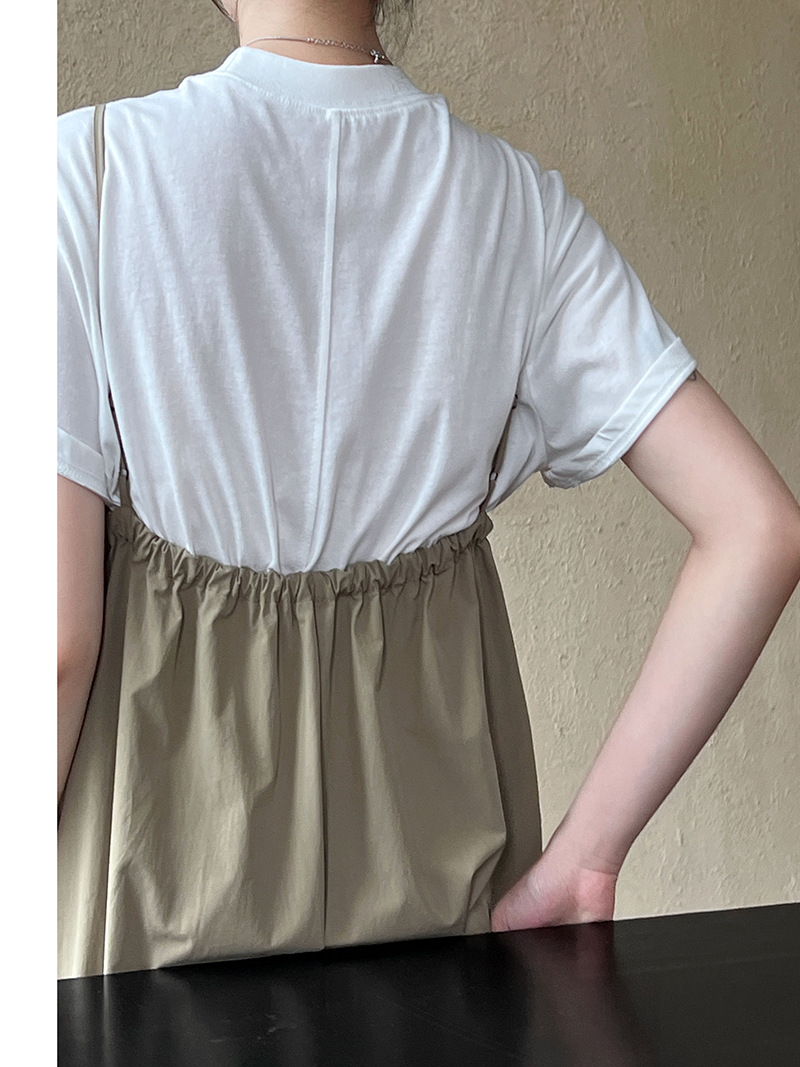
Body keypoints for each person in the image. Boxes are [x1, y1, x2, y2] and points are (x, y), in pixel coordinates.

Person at [57, 0, 800, 979]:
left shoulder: (87, 174)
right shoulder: (517, 210)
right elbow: (756, 527)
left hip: (156, 890)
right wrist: (584, 860)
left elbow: (54, 645)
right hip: (441, 895)